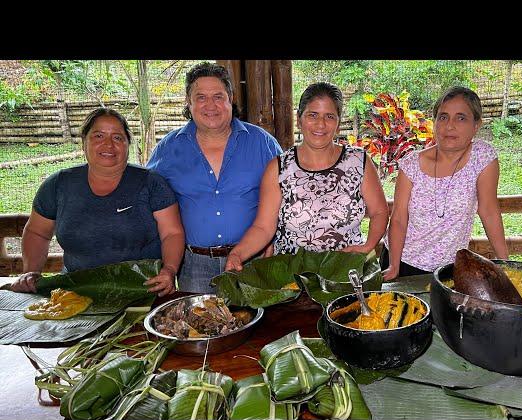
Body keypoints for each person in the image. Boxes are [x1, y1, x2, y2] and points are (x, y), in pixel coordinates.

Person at [9, 108, 185, 297]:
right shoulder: (58, 184)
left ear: (127, 144)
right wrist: (31, 271)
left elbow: (172, 233)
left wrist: (169, 270)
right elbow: (37, 232)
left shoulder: (151, 183)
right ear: (84, 142)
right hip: (76, 292)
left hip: (142, 290)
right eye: (99, 136)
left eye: (117, 138)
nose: (108, 145)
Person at [224, 82, 389, 272]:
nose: (321, 124)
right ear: (299, 119)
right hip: (292, 277)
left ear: (337, 123)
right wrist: (238, 254)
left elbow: (379, 211)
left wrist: (367, 247)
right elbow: (263, 227)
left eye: (329, 116)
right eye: (313, 115)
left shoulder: (358, 161)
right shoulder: (279, 168)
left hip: (345, 273)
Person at [147, 62, 282, 293]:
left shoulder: (263, 143)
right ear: (188, 103)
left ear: (231, 99)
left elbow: (288, 197)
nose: (210, 105)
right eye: (200, 97)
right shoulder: (167, 150)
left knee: (257, 326)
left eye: (218, 96)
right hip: (193, 264)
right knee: (200, 326)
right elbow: (151, 203)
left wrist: (274, 237)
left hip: (253, 260)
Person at [382, 86, 508, 281]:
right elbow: (398, 217)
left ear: (476, 125)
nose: (449, 126)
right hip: (402, 262)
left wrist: (506, 264)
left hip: (450, 268)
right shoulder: (411, 164)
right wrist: (394, 265)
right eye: (443, 117)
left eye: (461, 118)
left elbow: (489, 211)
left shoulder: (482, 157)